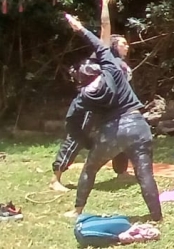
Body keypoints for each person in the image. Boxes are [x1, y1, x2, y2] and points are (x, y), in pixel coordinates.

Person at [59, 13, 162, 222]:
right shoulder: (112, 69)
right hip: (137, 124)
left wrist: (87, 142)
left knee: (90, 168)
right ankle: (156, 216)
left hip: (112, 131)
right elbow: (99, 44)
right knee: (144, 173)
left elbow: (71, 123)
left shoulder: (82, 97)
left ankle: (77, 210)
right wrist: (80, 28)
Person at [50, 0, 130, 192]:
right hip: (91, 104)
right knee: (77, 137)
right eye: (123, 43)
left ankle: (121, 171)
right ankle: (56, 178)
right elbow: (105, 27)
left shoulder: (119, 63)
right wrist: (104, 4)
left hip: (111, 106)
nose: (126, 46)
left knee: (120, 134)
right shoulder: (103, 54)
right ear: (112, 45)